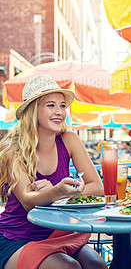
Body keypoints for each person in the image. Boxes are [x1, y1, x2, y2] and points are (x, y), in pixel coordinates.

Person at [0, 74, 107, 269]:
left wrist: (62, 194)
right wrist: (59, 191)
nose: (59, 112)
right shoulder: (12, 150)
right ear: (33, 110)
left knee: (97, 265)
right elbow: (27, 200)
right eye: (51, 105)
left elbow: (98, 186)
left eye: (62, 105)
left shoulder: (69, 140)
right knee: (68, 267)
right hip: (17, 237)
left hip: (59, 232)